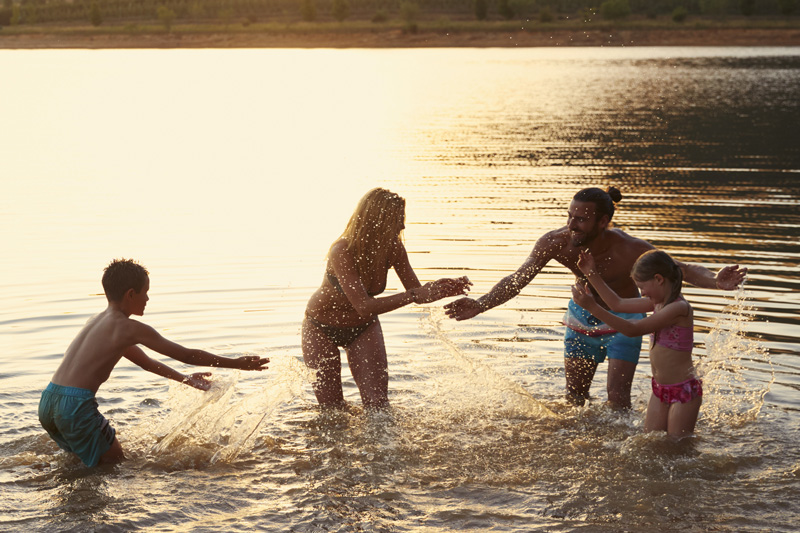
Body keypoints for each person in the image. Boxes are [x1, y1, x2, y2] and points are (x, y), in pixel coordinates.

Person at [445, 187, 745, 409]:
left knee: (617, 402)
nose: (572, 225)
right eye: (569, 217)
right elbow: (518, 279)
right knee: (574, 400)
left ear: (603, 222)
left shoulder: (629, 248)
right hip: (581, 318)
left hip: (625, 318)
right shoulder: (556, 243)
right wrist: (481, 304)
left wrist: (715, 282)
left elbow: (681, 269)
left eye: (581, 220)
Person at [38, 259, 269, 467]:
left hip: (49, 402)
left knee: (80, 463)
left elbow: (145, 362)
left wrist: (186, 379)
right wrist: (237, 363)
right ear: (131, 294)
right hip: (75, 407)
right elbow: (187, 355)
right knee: (114, 464)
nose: (147, 298)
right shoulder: (127, 328)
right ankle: (86, 510)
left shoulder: (97, 321)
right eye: (145, 292)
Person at [302, 188, 471, 410]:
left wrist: (441, 288)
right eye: (398, 219)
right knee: (332, 410)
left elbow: (417, 294)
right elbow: (364, 306)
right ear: (377, 220)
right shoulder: (341, 250)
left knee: (378, 407)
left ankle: (379, 445)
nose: (403, 226)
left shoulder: (393, 248)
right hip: (320, 328)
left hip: (363, 328)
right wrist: (414, 295)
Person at [572, 249, 702, 437]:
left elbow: (633, 329)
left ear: (659, 279)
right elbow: (617, 304)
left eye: (642, 287)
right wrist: (590, 273)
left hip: (683, 393)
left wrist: (592, 307)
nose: (641, 293)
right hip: (660, 389)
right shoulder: (657, 303)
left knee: (677, 448)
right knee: (650, 443)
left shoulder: (679, 308)